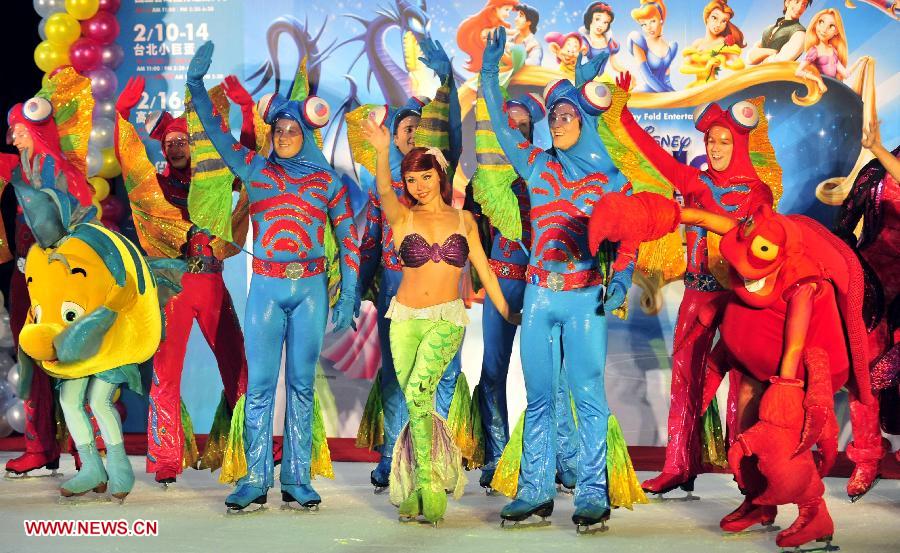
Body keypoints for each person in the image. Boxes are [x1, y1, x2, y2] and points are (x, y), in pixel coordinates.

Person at [186, 42, 361, 512]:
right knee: (260, 385)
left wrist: (348, 297)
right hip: (264, 289)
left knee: (302, 386)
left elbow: (349, 243)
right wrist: (196, 88)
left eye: (292, 129)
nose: (284, 135)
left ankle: (297, 478)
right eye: (278, 129)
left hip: (309, 292)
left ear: (306, 130)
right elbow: (219, 135)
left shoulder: (327, 182)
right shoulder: (256, 168)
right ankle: (254, 478)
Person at [481, 27, 637, 530]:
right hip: (540, 297)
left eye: (568, 114)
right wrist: (488, 70)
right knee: (540, 395)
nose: (560, 122)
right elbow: (501, 127)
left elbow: (630, 238)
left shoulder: (611, 178)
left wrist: (621, 281)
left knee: (587, 393)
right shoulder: (537, 165)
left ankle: (592, 493)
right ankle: (535, 490)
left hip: (586, 297)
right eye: (555, 116)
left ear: (584, 119)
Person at [360, 128, 519, 523]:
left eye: (426, 177)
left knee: (418, 391)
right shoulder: (403, 216)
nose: (419, 186)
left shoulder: (464, 220)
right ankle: (417, 483)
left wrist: (505, 310)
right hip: (403, 321)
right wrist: (382, 151)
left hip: (446, 319)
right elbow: (383, 190)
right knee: (418, 402)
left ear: (440, 175)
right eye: (411, 180)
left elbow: (483, 268)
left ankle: (430, 486)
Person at [114, 75, 252, 486]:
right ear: (163, 148)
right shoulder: (154, 188)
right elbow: (129, 162)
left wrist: (244, 113)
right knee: (165, 372)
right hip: (172, 289)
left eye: (182, 141)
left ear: (194, 144)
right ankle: (167, 458)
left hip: (211, 285)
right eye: (169, 142)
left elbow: (246, 159)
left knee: (237, 365)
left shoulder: (214, 179)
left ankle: (251, 444)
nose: (176, 147)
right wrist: (120, 115)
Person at [352, 38, 467, 493]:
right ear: (393, 139)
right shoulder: (386, 192)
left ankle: (438, 462)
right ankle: (393, 461)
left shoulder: (438, 176)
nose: (415, 135)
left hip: (441, 297)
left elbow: (454, 136)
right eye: (406, 130)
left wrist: (449, 81)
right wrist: (355, 292)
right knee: (398, 380)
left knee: (441, 378)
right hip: (393, 295)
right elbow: (368, 243)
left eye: (421, 129)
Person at [11, 160, 161, 502]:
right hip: (75, 341)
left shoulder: (93, 240)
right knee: (69, 399)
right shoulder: (46, 255)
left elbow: (121, 277)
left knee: (98, 399)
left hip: (108, 336)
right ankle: (92, 467)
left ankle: (120, 468)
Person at [469, 92, 578, 494]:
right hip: (501, 282)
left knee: (552, 377)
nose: (513, 129)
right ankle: (497, 458)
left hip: (539, 286)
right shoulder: (484, 180)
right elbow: (474, 236)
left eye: (522, 124)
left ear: (532, 132)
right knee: (493, 371)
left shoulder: (547, 172)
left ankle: (560, 459)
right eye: (507, 122)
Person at [4, 68, 94, 477]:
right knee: (29, 360)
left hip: (57, 282)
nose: (14, 136)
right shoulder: (16, 170)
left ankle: (81, 450)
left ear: (36, 131)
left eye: (19, 130)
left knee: (68, 357)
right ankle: (39, 447)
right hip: (24, 279)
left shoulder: (59, 170)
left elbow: (78, 218)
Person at [834, 118, 898, 500]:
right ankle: (868, 457)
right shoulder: (876, 170)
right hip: (873, 283)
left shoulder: (882, 158)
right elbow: (845, 227)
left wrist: (877, 149)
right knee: (865, 371)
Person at [681, 0, 746, 87]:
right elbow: (684, 68)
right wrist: (705, 69)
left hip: (714, 87)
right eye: (715, 18)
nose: (718, 24)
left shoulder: (723, 42)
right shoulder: (697, 43)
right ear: (707, 17)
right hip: (696, 87)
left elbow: (740, 64)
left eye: (724, 21)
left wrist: (725, 65)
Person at [795, 8, 861, 93]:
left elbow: (846, 74)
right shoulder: (814, 51)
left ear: (837, 31)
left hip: (834, 90)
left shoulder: (833, 51)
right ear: (815, 24)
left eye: (831, 26)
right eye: (821, 22)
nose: (824, 29)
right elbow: (798, 72)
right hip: (819, 92)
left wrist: (859, 61)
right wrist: (818, 81)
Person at [627, 0, 678, 93]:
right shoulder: (639, 42)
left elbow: (667, 79)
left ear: (661, 19)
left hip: (665, 94)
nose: (648, 27)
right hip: (645, 93)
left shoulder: (672, 47)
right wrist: (669, 93)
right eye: (643, 24)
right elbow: (647, 76)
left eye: (652, 21)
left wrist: (673, 93)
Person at [457, 0, 519, 73]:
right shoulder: (485, 29)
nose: (508, 15)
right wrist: (514, 32)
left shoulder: (492, 25)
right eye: (506, 10)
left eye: (509, 11)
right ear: (494, 8)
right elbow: (497, 32)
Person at [747, 0, 812, 65]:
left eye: (804, 4)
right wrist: (771, 52)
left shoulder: (800, 33)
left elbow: (779, 62)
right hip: (756, 73)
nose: (800, 7)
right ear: (787, 2)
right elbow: (749, 59)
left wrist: (759, 56)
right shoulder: (769, 28)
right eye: (797, 2)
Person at [579, 2, 625, 75]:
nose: (601, 25)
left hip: (602, 77)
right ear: (590, 19)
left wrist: (626, 72)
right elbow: (577, 63)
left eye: (605, 22)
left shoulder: (610, 42)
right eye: (597, 19)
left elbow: (614, 64)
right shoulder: (584, 41)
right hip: (587, 78)